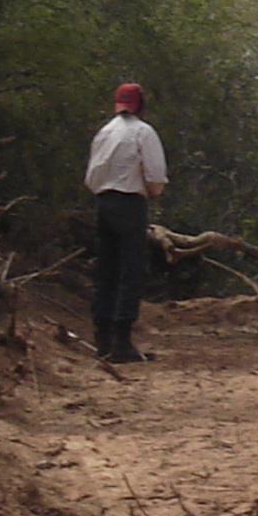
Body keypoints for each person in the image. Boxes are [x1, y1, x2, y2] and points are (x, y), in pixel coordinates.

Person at [85, 82, 168, 363]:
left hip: (103, 202)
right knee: (131, 271)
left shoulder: (104, 132)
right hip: (130, 203)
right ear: (141, 105)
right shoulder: (143, 132)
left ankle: (102, 339)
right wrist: (150, 193)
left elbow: (91, 176)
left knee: (105, 270)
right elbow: (156, 176)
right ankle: (122, 341)